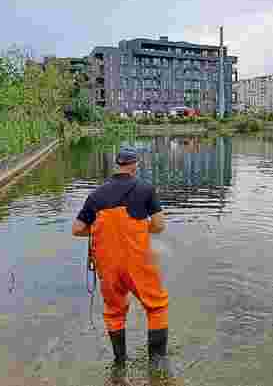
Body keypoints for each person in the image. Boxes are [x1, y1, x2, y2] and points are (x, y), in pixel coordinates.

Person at [72, 146, 172, 379]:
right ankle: (157, 365)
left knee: (114, 312)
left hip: (108, 266)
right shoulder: (145, 189)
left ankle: (119, 365)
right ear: (135, 165)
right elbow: (159, 225)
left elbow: (77, 229)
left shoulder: (95, 196)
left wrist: (103, 231)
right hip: (138, 263)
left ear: (116, 165)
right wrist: (137, 228)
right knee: (156, 307)